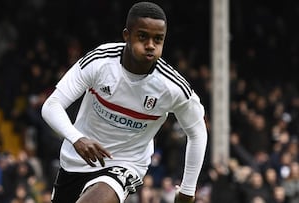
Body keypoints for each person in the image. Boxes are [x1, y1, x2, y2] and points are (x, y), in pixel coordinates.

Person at [41, 2, 207, 203]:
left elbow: (197, 132)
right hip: (77, 160)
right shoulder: (100, 62)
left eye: (158, 39)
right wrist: (76, 138)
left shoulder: (172, 87)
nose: (150, 45)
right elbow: (52, 105)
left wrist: (188, 191)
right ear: (127, 35)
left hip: (127, 163)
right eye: (143, 36)